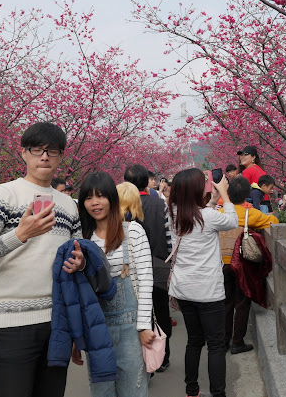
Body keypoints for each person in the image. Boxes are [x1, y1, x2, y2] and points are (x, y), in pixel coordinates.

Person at [0, 122, 85, 397]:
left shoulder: (69, 205)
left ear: (61, 156)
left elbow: (77, 255)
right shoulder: (3, 194)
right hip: (9, 325)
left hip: (57, 323)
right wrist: (20, 234)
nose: (44, 156)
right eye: (36, 149)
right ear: (23, 153)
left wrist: (81, 262)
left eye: (52, 151)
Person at [72, 173, 154, 396]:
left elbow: (146, 280)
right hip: (96, 328)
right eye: (88, 198)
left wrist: (145, 326)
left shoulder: (133, 231)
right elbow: (78, 291)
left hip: (130, 328)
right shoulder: (81, 238)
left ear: (112, 198)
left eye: (100, 196)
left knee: (133, 390)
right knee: (102, 391)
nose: (95, 202)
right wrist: (76, 335)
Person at [168, 168, 238, 397]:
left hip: (184, 290)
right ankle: (218, 393)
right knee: (216, 345)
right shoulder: (207, 216)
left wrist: (213, 202)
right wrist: (225, 195)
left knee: (194, 342)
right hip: (208, 291)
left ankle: (192, 390)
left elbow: (199, 217)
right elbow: (232, 220)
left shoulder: (175, 214)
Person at [124, 164, 173, 371]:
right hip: (158, 264)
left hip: (131, 267)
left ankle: (141, 358)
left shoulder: (122, 206)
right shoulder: (159, 204)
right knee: (161, 312)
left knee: (138, 312)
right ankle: (163, 357)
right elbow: (169, 237)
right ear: (147, 182)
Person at [223, 176, 278, 354]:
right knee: (242, 301)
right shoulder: (250, 214)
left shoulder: (221, 211)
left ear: (228, 194)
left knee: (226, 302)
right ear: (247, 194)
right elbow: (274, 222)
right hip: (241, 263)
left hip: (221, 263)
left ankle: (223, 341)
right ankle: (237, 342)